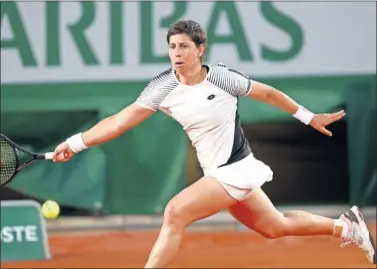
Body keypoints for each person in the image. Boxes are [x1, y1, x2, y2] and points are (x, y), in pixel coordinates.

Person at [52, 20, 376, 267]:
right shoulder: (162, 87)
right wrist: (75, 142)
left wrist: (308, 116)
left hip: (235, 168)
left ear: (200, 49)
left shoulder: (221, 77)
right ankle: (346, 227)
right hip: (217, 172)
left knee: (174, 212)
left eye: (183, 47)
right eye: (172, 47)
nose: (176, 53)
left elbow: (267, 93)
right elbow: (119, 121)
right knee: (274, 226)